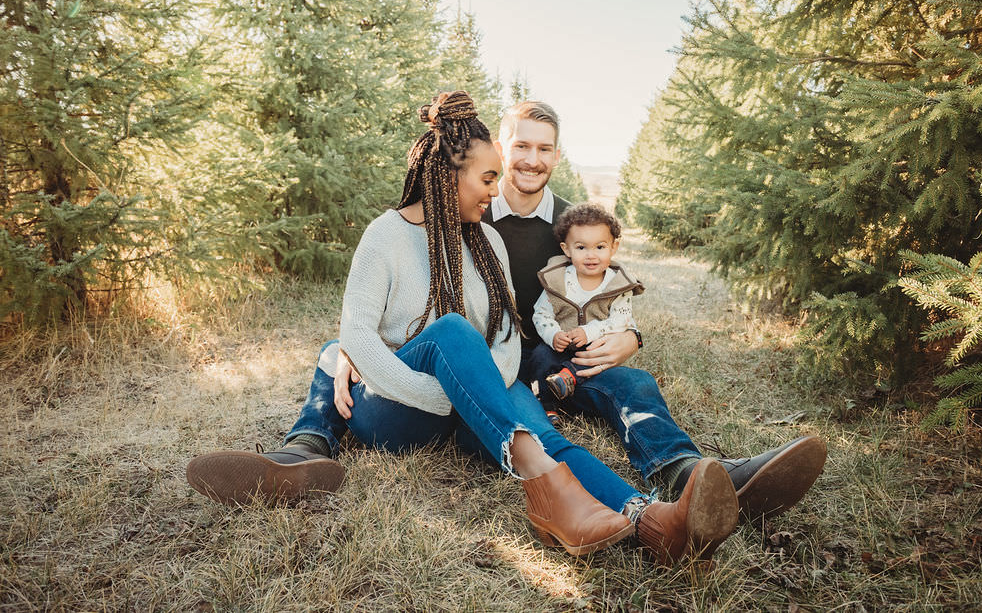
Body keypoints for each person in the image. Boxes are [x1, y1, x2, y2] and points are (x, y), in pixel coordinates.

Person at [187, 92, 740, 564]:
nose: (493, 190)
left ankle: (652, 524)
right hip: (398, 410)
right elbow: (354, 336)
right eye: (487, 177)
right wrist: (446, 392)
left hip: (473, 399)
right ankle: (305, 453)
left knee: (549, 438)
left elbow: (504, 337)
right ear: (449, 174)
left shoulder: (487, 241)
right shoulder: (384, 236)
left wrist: (474, 386)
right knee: (451, 333)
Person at [480, 100, 827, 520]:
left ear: (557, 153)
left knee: (635, 385)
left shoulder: (571, 223)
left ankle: (691, 475)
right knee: (529, 430)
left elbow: (605, 287)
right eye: (522, 146)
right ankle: (633, 509)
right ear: (501, 149)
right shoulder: (472, 213)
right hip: (496, 367)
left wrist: (630, 336)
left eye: (546, 149)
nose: (533, 161)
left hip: (569, 361)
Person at [528, 202, 643, 401]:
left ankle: (568, 377)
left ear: (614, 247)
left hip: (594, 351)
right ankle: (546, 405)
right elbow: (541, 313)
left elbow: (620, 322)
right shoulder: (557, 280)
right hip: (561, 347)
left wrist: (588, 332)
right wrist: (554, 334)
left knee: (599, 359)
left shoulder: (618, 285)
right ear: (566, 249)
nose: (591, 255)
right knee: (540, 356)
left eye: (600, 247)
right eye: (581, 247)